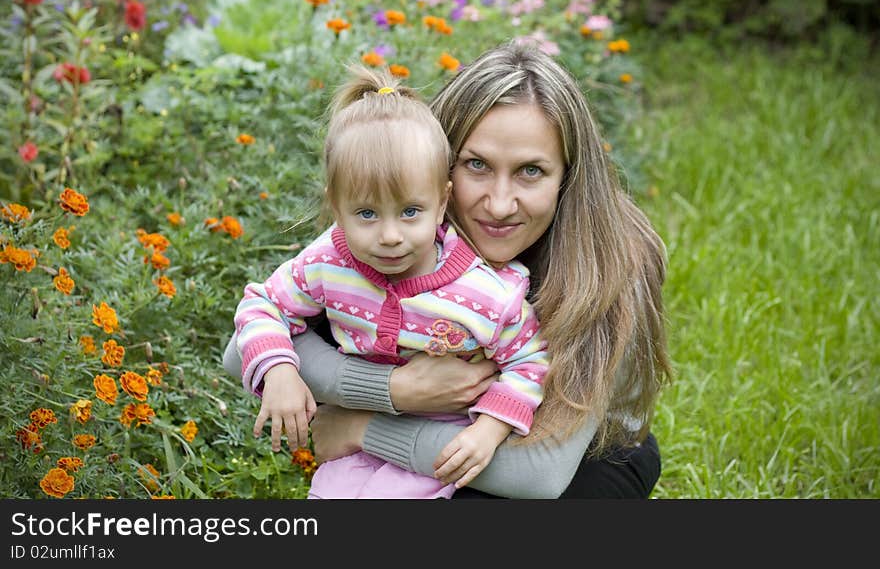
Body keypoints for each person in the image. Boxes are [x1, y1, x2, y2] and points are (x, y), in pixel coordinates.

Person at [224, 40, 671, 498]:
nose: (498, 205)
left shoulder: (609, 266)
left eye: (531, 171)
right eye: (477, 164)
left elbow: (538, 475)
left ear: (567, 176)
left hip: (579, 457)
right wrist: (394, 390)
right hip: (436, 438)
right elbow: (241, 348)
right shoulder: (402, 227)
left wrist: (362, 428)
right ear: (440, 172)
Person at [232, 64, 549, 499]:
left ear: (442, 203)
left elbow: (529, 361)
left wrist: (491, 428)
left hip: (435, 449)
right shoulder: (329, 262)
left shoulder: (486, 295)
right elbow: (263, 304)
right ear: (336, 207)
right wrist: (281, 371)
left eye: (409, 213)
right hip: (350, 451)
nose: (390, 236)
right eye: (366, 214)